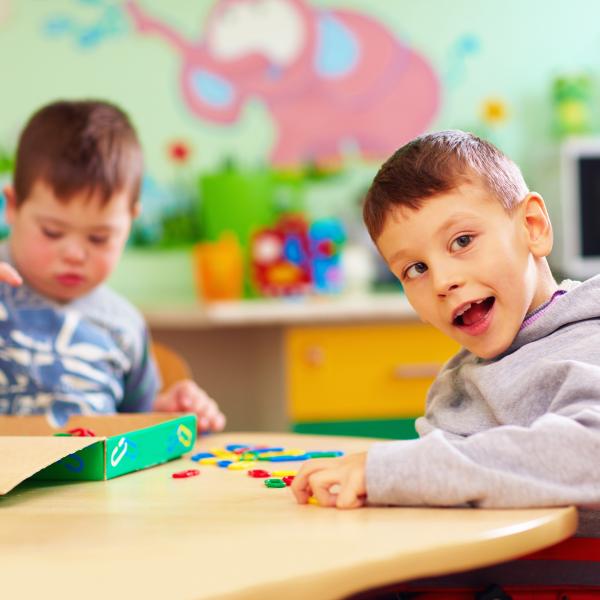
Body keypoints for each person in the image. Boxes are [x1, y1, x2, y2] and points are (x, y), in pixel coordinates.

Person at [291, 130, 600, 538]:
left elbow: (588, 456)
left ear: (532, 226)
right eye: (415, 269)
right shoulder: (453, 387)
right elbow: (438, 495)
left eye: (462, 241)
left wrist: (392, 470)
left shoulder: (588, 340)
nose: (442, 281)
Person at [0, 99, 225, 432]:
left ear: (130, 223)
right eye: (53, 232)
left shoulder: (124, 326)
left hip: (90, 485)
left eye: (99, 238)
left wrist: (165, 413)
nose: (75, 253)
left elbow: (136, 424)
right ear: (13, 207)